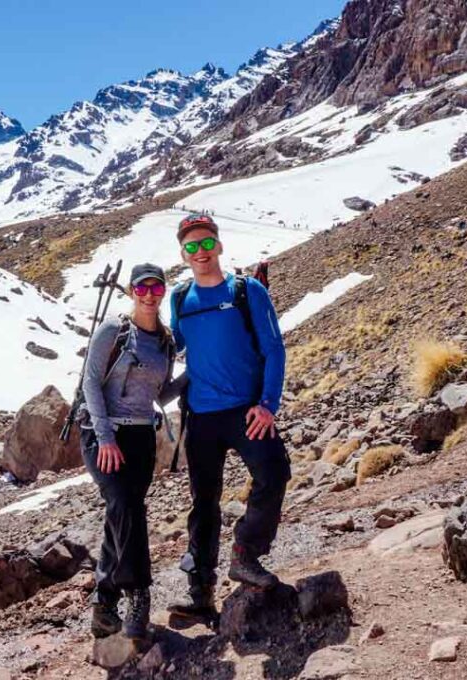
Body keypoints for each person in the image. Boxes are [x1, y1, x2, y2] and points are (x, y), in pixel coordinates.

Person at [167, 214, 291, 620]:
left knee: (273, 473)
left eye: (206, 244)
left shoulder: (247, 291)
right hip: (201, 418)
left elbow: (274, 349)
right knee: (204, 504)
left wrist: (268, 404)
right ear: (183, 254)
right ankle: (200, 592)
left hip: (246, 410)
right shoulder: (180, 298)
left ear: (219, 246)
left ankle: (246, 553)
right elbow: (180, 347)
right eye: (191, 247)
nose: (200, 253)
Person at [80, 263, 186, 639]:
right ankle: (138, 593)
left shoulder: (166, 341)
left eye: (156, 288)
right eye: (142, 288)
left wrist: (193, 374)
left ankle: (103, 606)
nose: (150, 294)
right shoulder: (114, 330)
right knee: (127, 507)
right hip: (103, 435)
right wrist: (105, 437)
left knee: (120, 514)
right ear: (131, 291)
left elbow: (159, 396)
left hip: (142, 437)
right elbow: (91, 382)